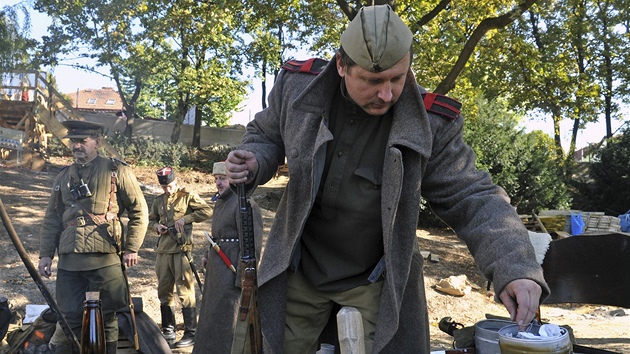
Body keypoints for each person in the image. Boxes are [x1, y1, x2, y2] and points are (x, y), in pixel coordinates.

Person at [224, 5, 550, 353]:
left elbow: (472, 196)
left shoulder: (432, 122)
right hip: (299, 272)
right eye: (373, 80)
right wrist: (255, 159)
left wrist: (515, 267)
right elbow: (267, 134)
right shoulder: (297, 87)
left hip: (376, 282)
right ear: (341, 66)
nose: (387, 93)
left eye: (398, 78)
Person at [38, 120, 148, 354]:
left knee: (107, 316)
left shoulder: (117, 170)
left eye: (82, 141)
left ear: (97, 142)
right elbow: (52, 218)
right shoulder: (63, 176)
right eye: (73, 141)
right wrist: (46, 254)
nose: (77, 145)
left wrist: (132, 248)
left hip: (105, 258)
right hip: (69, 260)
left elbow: (139, 211)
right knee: (69, 315)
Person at [193, 161, 264, 353]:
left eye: (222, 179)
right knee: (211, 317)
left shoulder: (245, 204)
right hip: (218, 269)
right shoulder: (221, 202)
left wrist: (244, 278)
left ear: (233, 180)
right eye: (216, 179)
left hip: (232, 272)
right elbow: (218, 236)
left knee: (228, 320)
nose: (218, 183)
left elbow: (253, 243)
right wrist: (209, 255)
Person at [148, 166, 213, 348]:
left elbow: (207, 211)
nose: (167, 190)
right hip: (163, 251)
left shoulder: (187, 196)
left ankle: (191, 332)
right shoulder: (158, 200)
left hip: (181, 250)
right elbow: (150, 220)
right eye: (164, 187)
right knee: (164, 290)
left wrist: (186, 219)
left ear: (175, 182)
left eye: (169, 186)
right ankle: (168, 330)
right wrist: (156, 227)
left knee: (184, 291)